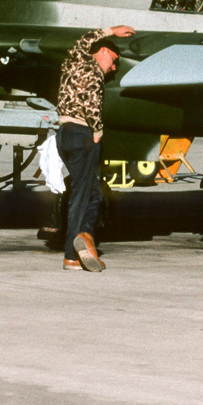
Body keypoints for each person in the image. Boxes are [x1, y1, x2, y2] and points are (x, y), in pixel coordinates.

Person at [56, 24, 135, 271]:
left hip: (63, 135)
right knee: (82, 196)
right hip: (83, 134)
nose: (113, 68)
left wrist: (111, 30)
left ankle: (86, 237)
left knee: (94, 192)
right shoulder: (93, 71)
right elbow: (91, 103)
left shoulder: (74, 61)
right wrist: (98, 132)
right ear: (102, 52)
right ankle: (72, 253)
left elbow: (83, 40)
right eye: (113, 61)